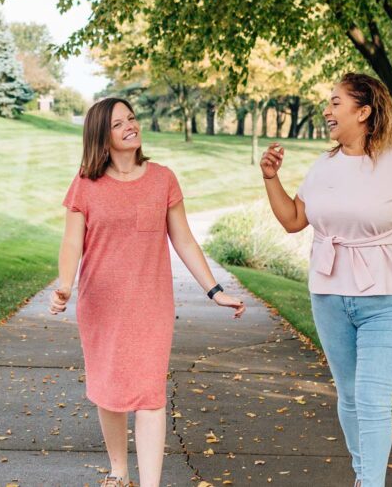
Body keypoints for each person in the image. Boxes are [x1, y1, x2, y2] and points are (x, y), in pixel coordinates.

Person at [259, 72, 392, 487]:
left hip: (387, 297)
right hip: (329, 295)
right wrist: (271, 178)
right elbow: (293, 220)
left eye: (335, 102)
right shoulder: (324, 165)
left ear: (364, 112)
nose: (326, 110)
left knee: (372, 397)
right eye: (327, 103)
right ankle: (364, 475)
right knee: (348, 396)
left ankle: (371, 483)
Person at [49, 97, 247, 487]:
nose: (130, 126)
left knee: (150, 394)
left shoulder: (162, 178)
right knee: (109, 389)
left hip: (150, 306)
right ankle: (119, 472)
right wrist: (64, 284)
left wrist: (215, 291)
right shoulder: (86, 183)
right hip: (100, 304)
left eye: (132, 118)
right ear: (101, 137)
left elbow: (185, 240)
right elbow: (73, 242)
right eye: (118, 123)